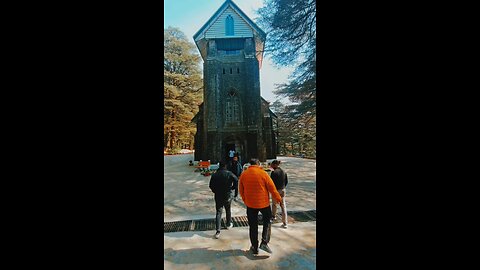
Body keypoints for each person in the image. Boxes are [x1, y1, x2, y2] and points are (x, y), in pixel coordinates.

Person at [239, 158, 282, 255]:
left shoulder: (244, 174)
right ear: (258, 164)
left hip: (250, 205)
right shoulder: (264, 174)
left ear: (250, 165)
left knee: (253, 226)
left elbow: (241, 190)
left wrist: (245, 200)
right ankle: (264, 242)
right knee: (267, 221)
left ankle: (254, 247)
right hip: (264, 204)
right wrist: (279, 199)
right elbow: (272, 189)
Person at [209, 162, 238, 239]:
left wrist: (215, 191)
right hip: (227, 194)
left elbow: (211, 185)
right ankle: (228, 224)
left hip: (218, 195)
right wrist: (233, 188)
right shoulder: (229, 173)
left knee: (218, 212)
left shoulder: (215, 174)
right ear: (226, 166)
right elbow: (236, 180)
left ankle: (218, 231)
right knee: (228, 209)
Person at [270, 160, 288, 228]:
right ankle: (285, 223)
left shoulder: (273, 173)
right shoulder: (284, 171)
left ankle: (273, 216)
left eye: (272, 164)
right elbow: (286, 181)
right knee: (283, 205)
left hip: (275, 190)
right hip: (282, 190)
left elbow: (271, 183)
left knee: (274, 204)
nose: (271, 166)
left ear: (275, 165)